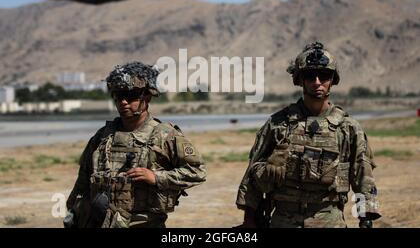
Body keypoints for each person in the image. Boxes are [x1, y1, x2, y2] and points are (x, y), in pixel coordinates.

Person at [236, 42, 381, 228]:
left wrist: (366, 219)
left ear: (333, 80)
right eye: (310, 76)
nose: (317, 82)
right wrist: (249, 219)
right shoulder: (278, 124)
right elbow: (251, 175)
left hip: (329, 220)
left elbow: (363, 177)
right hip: (283, 220)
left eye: (325, 76)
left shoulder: (348, 128)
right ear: (300, 80)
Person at [65, 61, 207, 228]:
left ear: (146, 97)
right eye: (118, 96)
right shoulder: (103, 136)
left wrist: (156, 178)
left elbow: (197, 171)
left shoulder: (164, 135)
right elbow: (83, 181)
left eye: (131, 96)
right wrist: (74, 212)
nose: (124, 102)